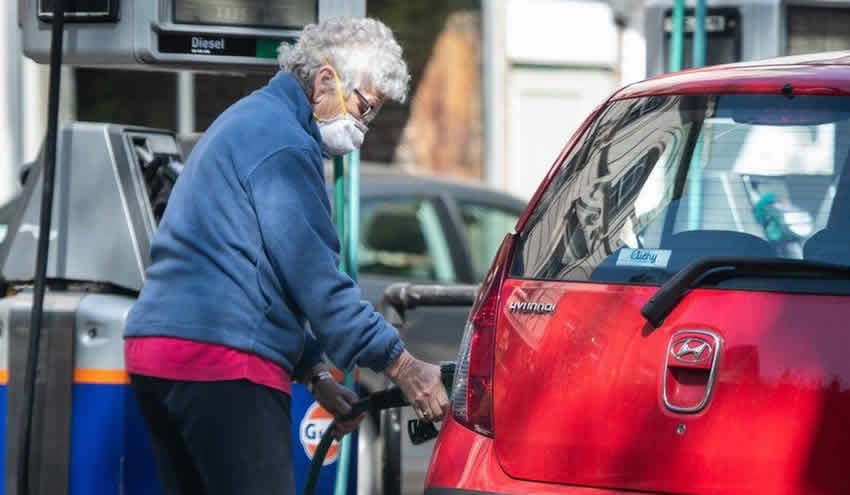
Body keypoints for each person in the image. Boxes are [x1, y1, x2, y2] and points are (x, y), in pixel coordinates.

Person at [122, 17, 449, 495]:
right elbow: (320, 287)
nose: (361, 128)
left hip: (158, 353)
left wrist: (315, 374)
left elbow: (256, 271)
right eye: (363, 108)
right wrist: (403, 366)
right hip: (222, 361)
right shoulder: (285, 147)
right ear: (323, 80)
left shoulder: (247, 120)